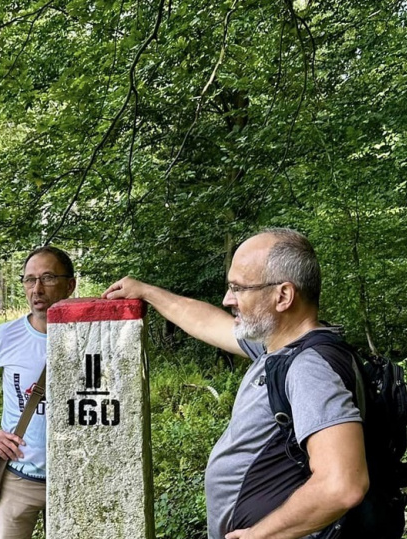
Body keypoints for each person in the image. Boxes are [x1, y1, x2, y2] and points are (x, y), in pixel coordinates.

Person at [103, 229, 369, 539]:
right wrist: (146, 291)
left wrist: (261, 534)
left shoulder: (308, 368)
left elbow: (342, 485)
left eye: (238, 288)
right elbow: (206, 322)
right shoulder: (281, 348)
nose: (228, 299)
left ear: (282, 296)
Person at [0, 246, 76, 539]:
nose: (37, 289)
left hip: (75, 480)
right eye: (29, 279)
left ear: (70, 284)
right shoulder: (5, 336)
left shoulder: (91, 336)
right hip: (19, 479)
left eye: (48, 278)